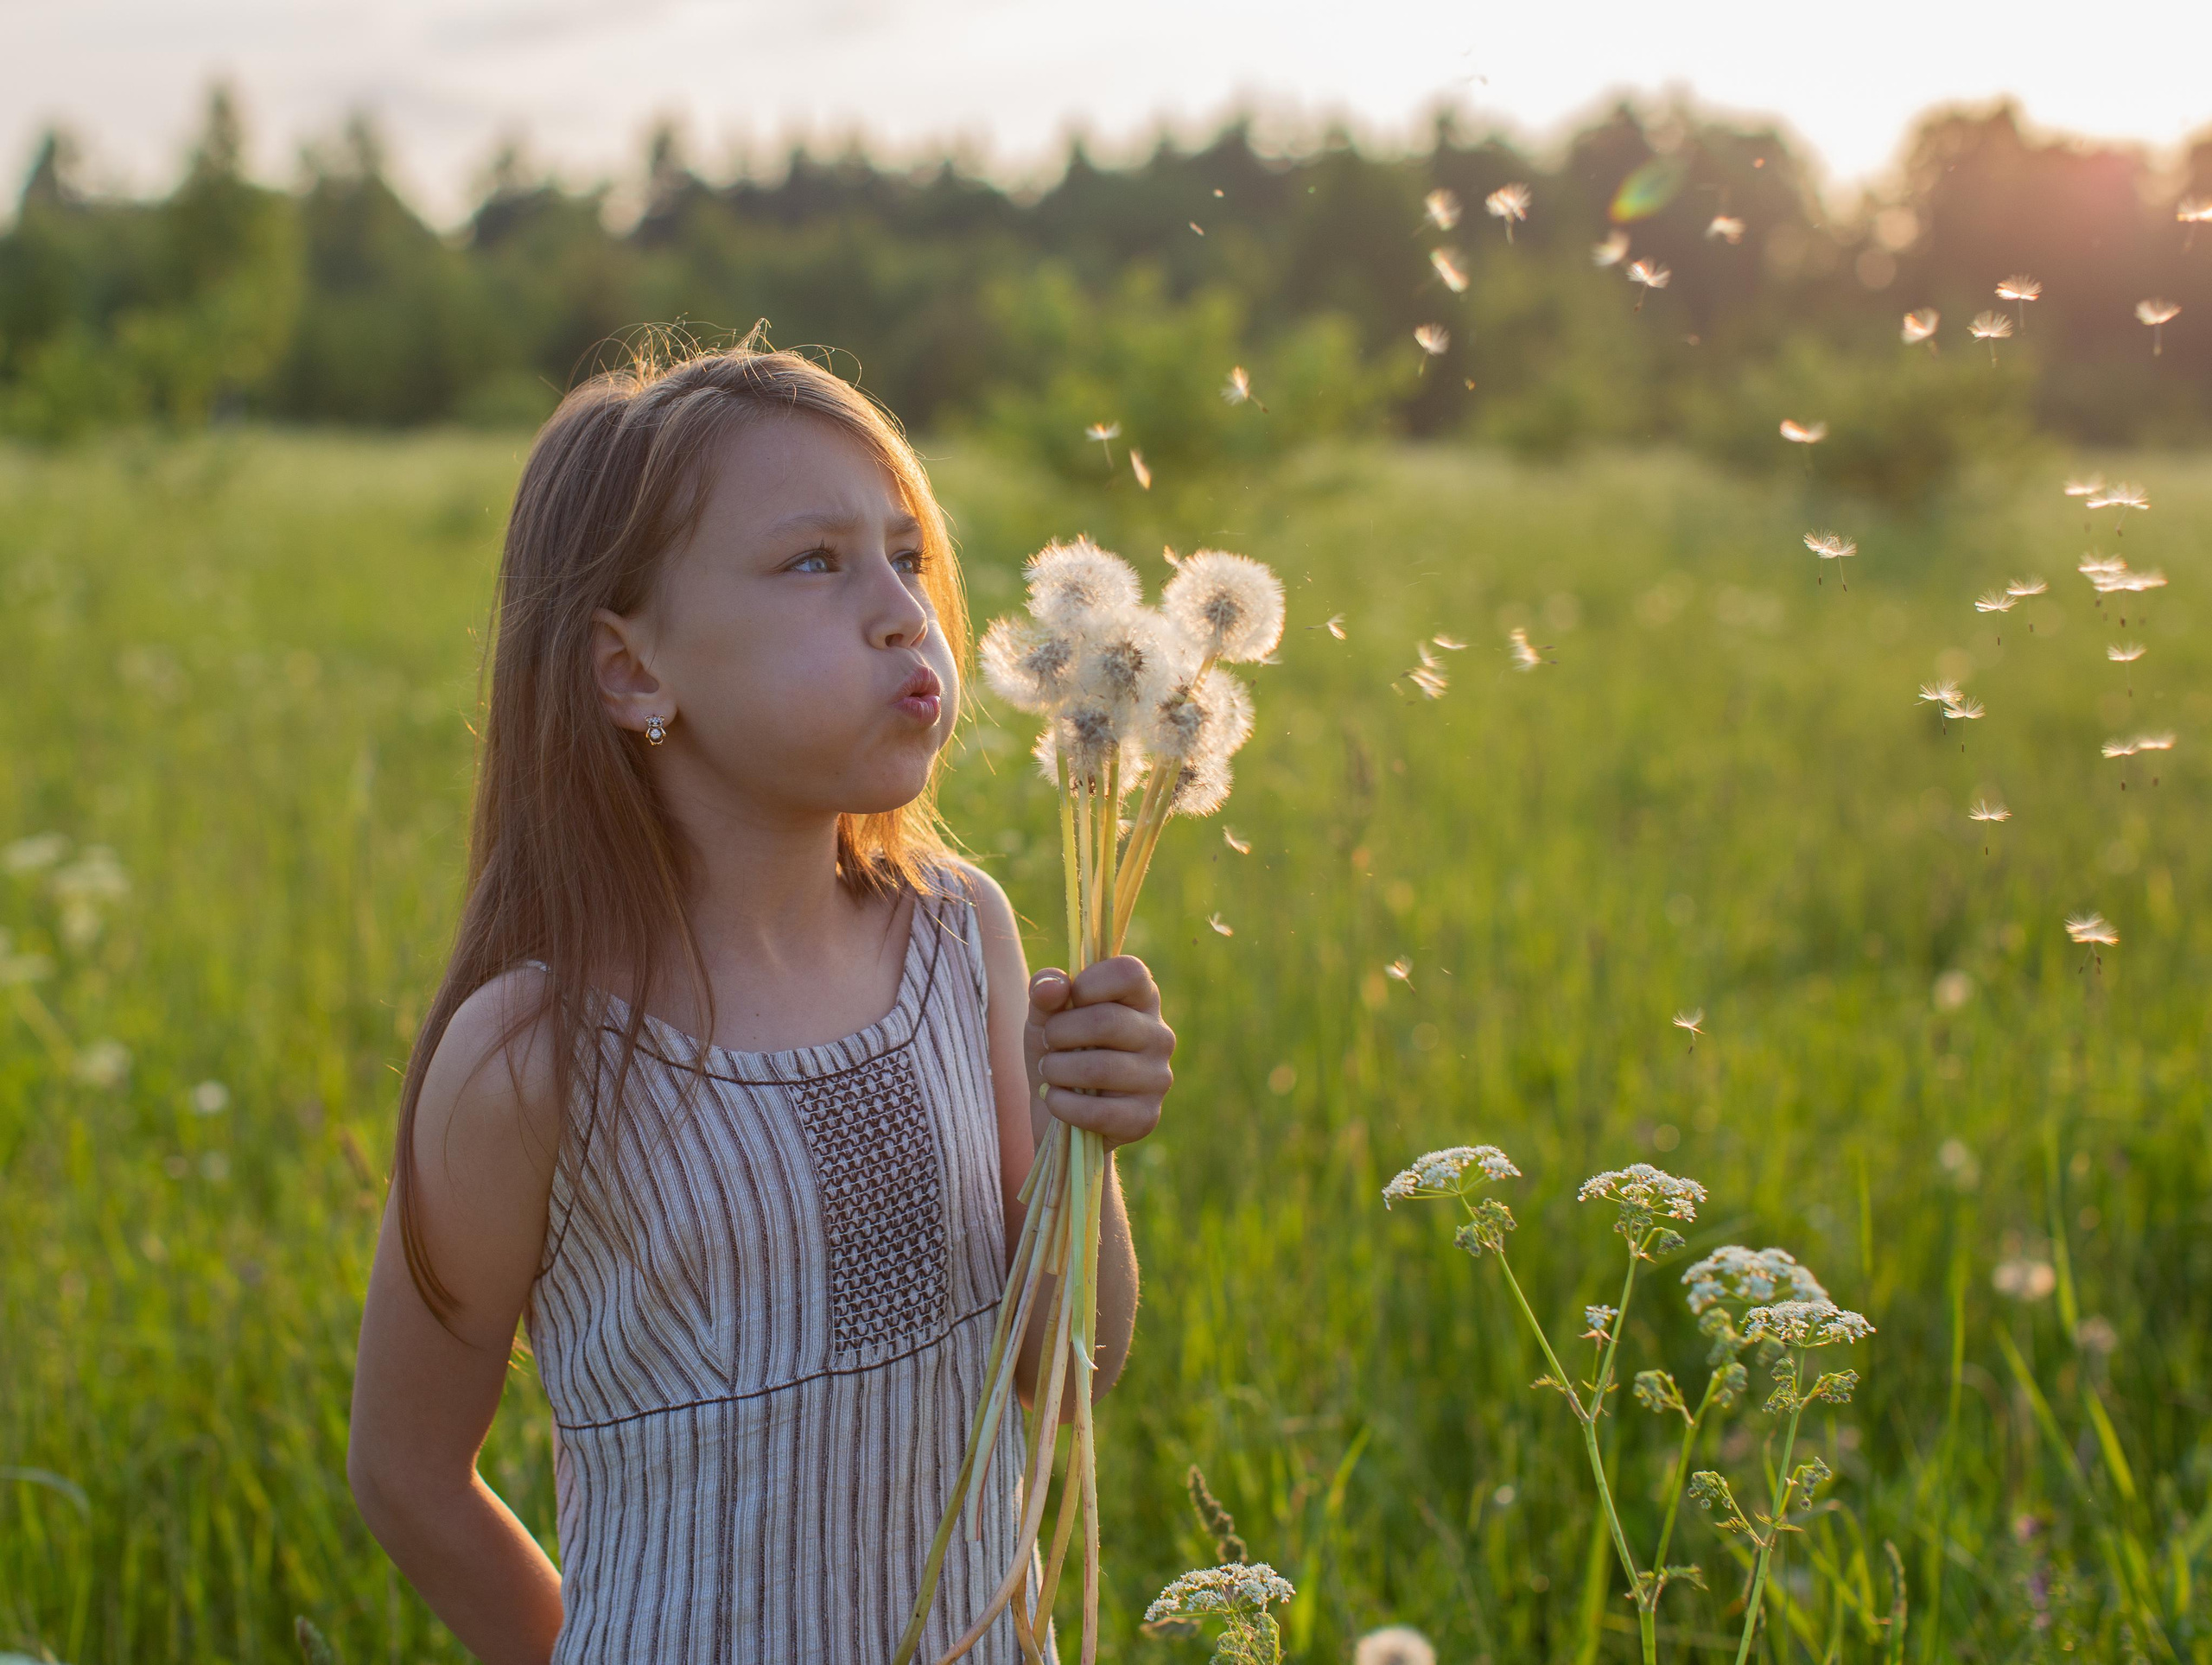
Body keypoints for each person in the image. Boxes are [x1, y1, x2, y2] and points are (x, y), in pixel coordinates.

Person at [345, 332, 1175, 1664]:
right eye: (813, 563)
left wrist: (1093, 1146)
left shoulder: (965, 940)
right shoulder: (537, 1056)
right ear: (632, 670)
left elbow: (1064, 1371)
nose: (903, 610)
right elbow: (406, 1473)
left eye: (906, 556)